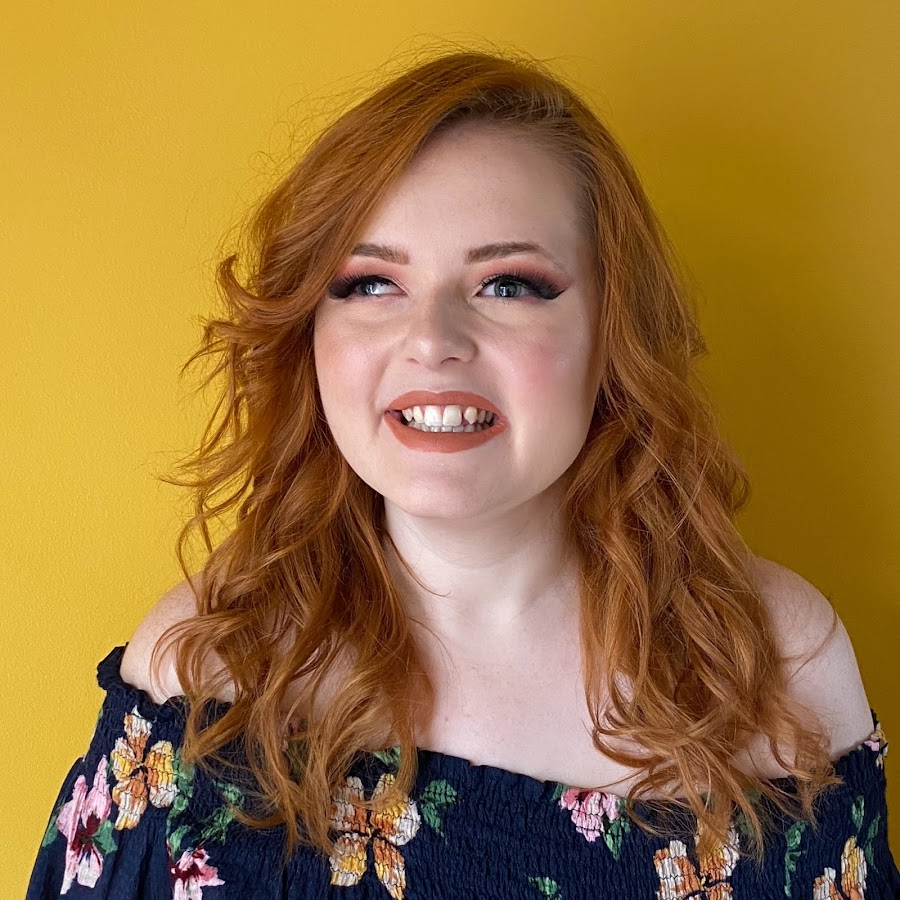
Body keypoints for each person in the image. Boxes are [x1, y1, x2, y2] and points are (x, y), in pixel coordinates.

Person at [26, 49, 898, 899]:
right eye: (369, 283)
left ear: (613, 334)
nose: (433, 339)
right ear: (310, 334)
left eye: (509, 284)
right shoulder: (211, 667)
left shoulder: (773, 664)